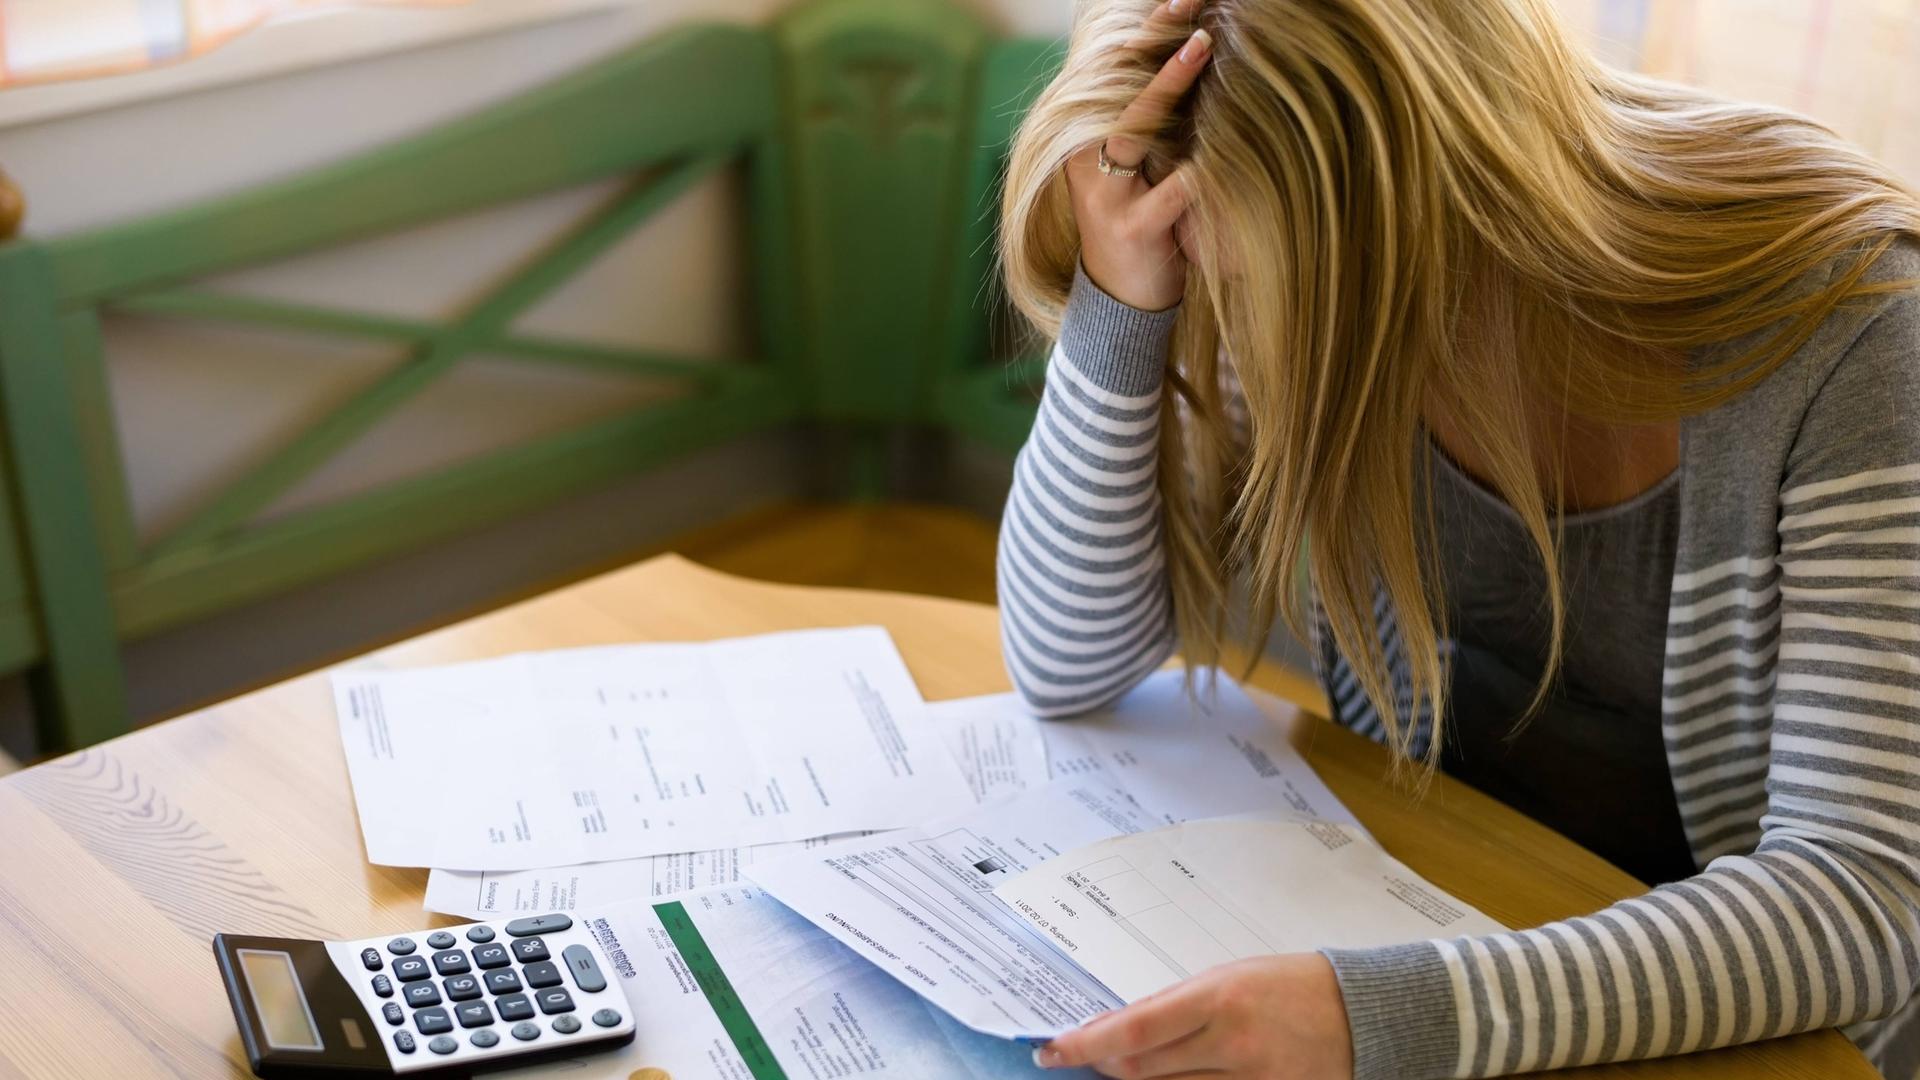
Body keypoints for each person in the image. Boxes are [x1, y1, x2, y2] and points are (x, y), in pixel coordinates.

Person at [993, 0, 1920, 1077]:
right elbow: (1065, 659)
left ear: (1428, 205)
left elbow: (1863, 897)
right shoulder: (1298, 267)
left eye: (1237, 280)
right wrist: (1122, 304)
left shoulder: (1852, 320)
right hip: (1449, 922)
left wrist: (1375, 1016)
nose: (1236, 318)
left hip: (1759, 1036)